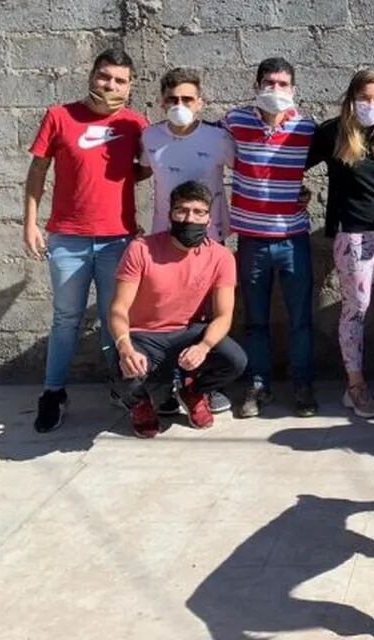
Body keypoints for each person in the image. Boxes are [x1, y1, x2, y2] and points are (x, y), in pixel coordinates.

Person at [24, 48, 149, 433]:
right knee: (66, 319)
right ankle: (53, 393)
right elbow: (38, 171)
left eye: (119, 80)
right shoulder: (59, 116)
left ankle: (123, 389)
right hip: (67, 239)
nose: (109, 85)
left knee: (118, 321)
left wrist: (115, 185)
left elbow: (146, 168)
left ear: (129, 87)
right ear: (92, 76)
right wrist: (30, 222)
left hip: (117, 239)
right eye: (104, 76)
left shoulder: (135, 124)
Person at [306, 68, 374, 418]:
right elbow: (295, 164)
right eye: (365, 98)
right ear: (352, 99)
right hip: (352, 231)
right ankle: (355, 385)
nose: (371, 105)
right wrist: (297, 192)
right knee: (357, 305)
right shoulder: (333, 132)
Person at [108, 181, 247, 438]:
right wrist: (125, 347)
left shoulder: (221, 256)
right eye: (182, 210)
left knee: (235, 360)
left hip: (189, 332)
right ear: (170, 214)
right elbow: (118, 308)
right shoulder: (141, 249)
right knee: (123, 370)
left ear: (209, 218)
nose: (189, 218)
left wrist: (203, 347)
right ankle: (140, 403)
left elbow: (224, 315)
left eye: (198, 212)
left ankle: (193, 392)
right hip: (144, 336)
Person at [223, 57, 318, 419]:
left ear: (293, 90)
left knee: (300, 320)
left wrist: (305, 192)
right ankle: (258, 384)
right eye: (268, 83)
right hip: (251, 241)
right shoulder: (235, 122)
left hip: (293, 239)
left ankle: (302, 384)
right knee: (256, 320)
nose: (275, 90)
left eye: (282, 84)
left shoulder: (306, 129)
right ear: (256, 86)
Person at [141, 67, 236, 416]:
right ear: (161, 102)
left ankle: (204, 388)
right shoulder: (149, 138)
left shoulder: (219, 138)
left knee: (211, 314)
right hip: (164, 241)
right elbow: (138, 172)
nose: (179, 105)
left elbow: (248, 173)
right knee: (168, 315)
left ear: (200, 102)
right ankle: (166, 386)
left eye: (187, 99)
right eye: (172, 99)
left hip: (210, 241)